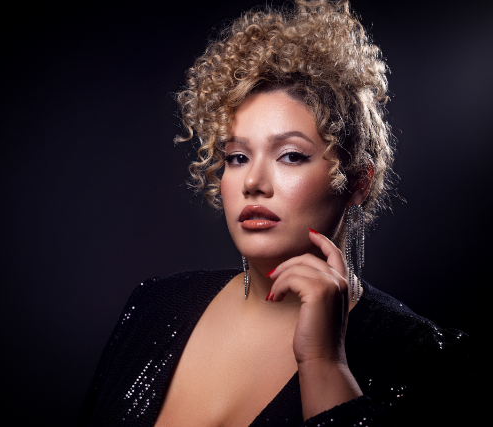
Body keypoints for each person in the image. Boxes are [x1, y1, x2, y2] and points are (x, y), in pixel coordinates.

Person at [79, 1, 483, 425]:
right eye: (237, 157)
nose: (254, 181)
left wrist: (324, 363)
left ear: (357, 183)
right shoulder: (155, 307)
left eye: (290, 155)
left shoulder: (426, 361)